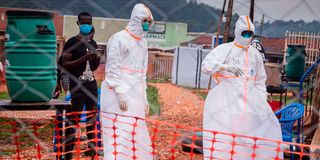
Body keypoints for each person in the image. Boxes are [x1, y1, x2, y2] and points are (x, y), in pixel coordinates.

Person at [201, 15, 283, 160]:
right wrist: (224, 66)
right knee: (224, 143)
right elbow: (206, 66)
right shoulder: (224, 49)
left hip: (250, 107)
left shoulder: (255, 55)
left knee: (255, 140)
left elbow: (260, 81)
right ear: (237, 32)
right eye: (244, 33)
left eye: (250, 34)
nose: (247, 37)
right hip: (226, 105)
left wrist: (261, 101)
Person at [100, 3, 154, 160]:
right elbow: (113, 68)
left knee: (136, 131)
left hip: (135, 92)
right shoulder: (119, 38)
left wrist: (143, 97)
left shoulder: (143, 43)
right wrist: (120, 91)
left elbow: (142, 73)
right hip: (117, 94)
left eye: (149, 22)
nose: (147, 24)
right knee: (119, 131)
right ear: (136, 19)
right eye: (145, 20)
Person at [60, 12, 102, 159]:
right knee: (73, 120)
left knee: (92, 119)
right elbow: (65, 64)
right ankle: (68, 153)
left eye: (89, 23)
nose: (86, 25)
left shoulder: (93, 43)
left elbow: (94, 66)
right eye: (83, 23)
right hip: (77, 85)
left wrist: (97, 57)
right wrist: (84, 57)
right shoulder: (72, 42)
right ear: (78, 24)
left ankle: (91, 151)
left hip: (91, 85)